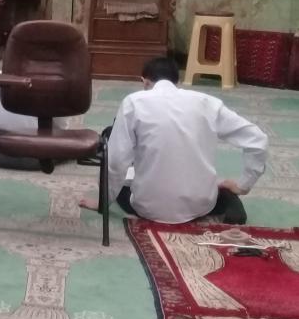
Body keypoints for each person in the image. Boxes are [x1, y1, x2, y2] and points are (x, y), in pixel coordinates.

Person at [79, 57, 269, 224]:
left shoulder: (134, 102)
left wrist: (103, 203)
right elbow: (258, 140)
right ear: (177, 81)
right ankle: (230, 204)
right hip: (201, 206)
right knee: (222, 189)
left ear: (144, 81)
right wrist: (244, 185)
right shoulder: (208, 103)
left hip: (148, 209)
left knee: (121, 174)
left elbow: (115, 162)